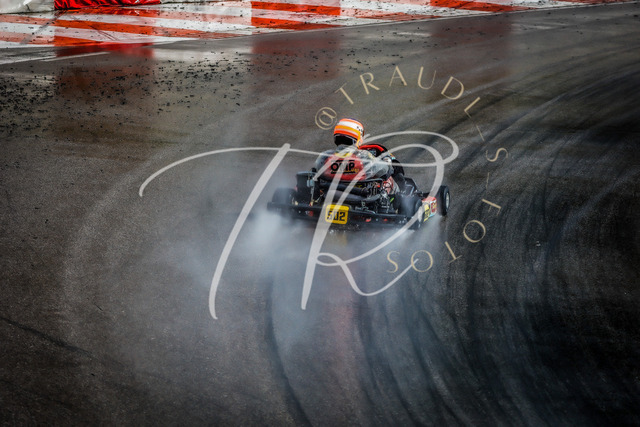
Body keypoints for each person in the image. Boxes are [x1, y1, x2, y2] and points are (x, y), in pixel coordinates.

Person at [332, 118, 407, 190]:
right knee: (388, 180)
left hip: (333, 194)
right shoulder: (363, 156)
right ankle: (402, 195)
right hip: (361, 195)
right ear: (358, 137)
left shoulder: (327, 157)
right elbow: (385, 171)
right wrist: (387, 163)